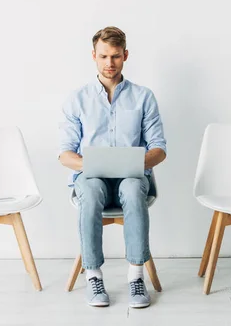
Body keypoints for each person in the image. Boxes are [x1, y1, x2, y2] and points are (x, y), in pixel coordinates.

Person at [59, 26, 167, 308]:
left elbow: (159, 149)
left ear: (125, 56)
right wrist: (90, 164)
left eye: (116, 56)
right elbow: (65, 154)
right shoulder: (77, 99)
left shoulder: (143, 97)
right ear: (94, 56)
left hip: (131, 176)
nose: (110, 63)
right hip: (91, 177)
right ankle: (93, 276)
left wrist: (136, 162)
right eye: (104, 56)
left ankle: (136, 277)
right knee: (91, 192)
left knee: (133, 190)